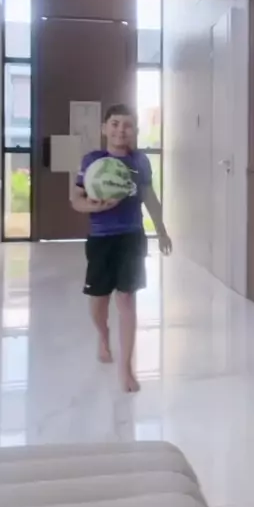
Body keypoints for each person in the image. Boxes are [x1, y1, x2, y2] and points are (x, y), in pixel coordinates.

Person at [71, 104, 172, 393]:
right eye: (115, 123)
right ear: (104, 128)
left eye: (127, 125)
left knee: (126, 299)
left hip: (131, 236)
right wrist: (94, 206)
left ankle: (126, 368)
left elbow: (150, 199)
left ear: (135, 130)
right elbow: (76, 199)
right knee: (98, 301)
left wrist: (161, 231)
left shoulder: (140, 162)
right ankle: (103, 335)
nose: (120, 130)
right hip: (101, 238)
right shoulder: (93, 160)